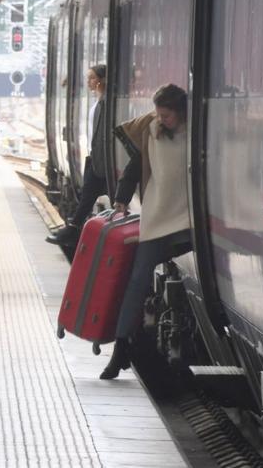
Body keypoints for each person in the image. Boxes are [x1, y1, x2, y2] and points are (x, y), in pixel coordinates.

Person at [99, 83, 192, 380]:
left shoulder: (197, 134)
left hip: (190, 221)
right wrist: (121, 201)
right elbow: (134, 167)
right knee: (138, 278)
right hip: (157, 216)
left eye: (166, 115)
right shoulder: (151, 132)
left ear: (180, 112)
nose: (161, 119)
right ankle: (121, 349)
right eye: (159, 114)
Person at [47, 64, 109, 245]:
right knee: (87, 194)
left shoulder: (105, 103)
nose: (89, 82)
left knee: (88, 194)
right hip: (94, 156)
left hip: (101, 159)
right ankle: (73, 228)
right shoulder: (98, 101)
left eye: (92, 78)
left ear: (101, 80)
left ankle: (73, 229)